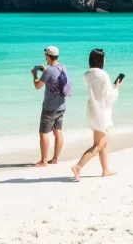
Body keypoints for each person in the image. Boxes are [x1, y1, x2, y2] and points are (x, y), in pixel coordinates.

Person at [71, 49, 122, 181]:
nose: (105, 60)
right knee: (98, 145)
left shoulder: (86, 75)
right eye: (104, 58)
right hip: (102, 112)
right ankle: (78, 167)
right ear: (100, 60)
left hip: (93, 110)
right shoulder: (103, 75)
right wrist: (117, 88)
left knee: (104, 143)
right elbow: (110, 97)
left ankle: (106, 170)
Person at [31, 46, 68, 167]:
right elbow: (54, 79)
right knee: (58, 132)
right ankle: (56, 159)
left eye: (45, 56)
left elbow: (37, 86)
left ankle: (44, 160)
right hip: (61, 106)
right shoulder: (63, 68)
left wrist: (34, 75)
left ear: (47, 56)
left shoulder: (48, 71)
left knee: (43, 133)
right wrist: (45, 71)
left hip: (49, 108)